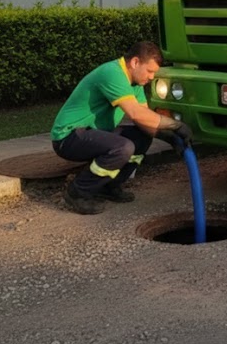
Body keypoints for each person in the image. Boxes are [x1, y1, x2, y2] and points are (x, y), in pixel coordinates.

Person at [50, 41, 193, 215]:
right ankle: (77, 193)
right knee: (123, 147)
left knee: (141, 137)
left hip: (93, 132)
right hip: (68, 137)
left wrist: (168, 137)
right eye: (149, 71)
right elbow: (135, 113)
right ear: (135, 62)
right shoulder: (112, 73)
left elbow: (145, 119)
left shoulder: (136, 84)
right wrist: (176, 125)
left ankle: (108, 186)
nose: (151, 77)